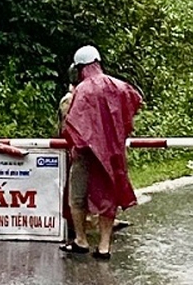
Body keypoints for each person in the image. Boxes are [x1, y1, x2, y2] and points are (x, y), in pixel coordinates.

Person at [59, 45, 142, 260]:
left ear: (80, 67)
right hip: (113, 151)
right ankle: (104, 246)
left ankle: (81, 240)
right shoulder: (119, 85)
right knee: (109, 195)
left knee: (77, 196)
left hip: (86, 153)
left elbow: (72, 125)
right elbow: (135, 102)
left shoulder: (82, 90)